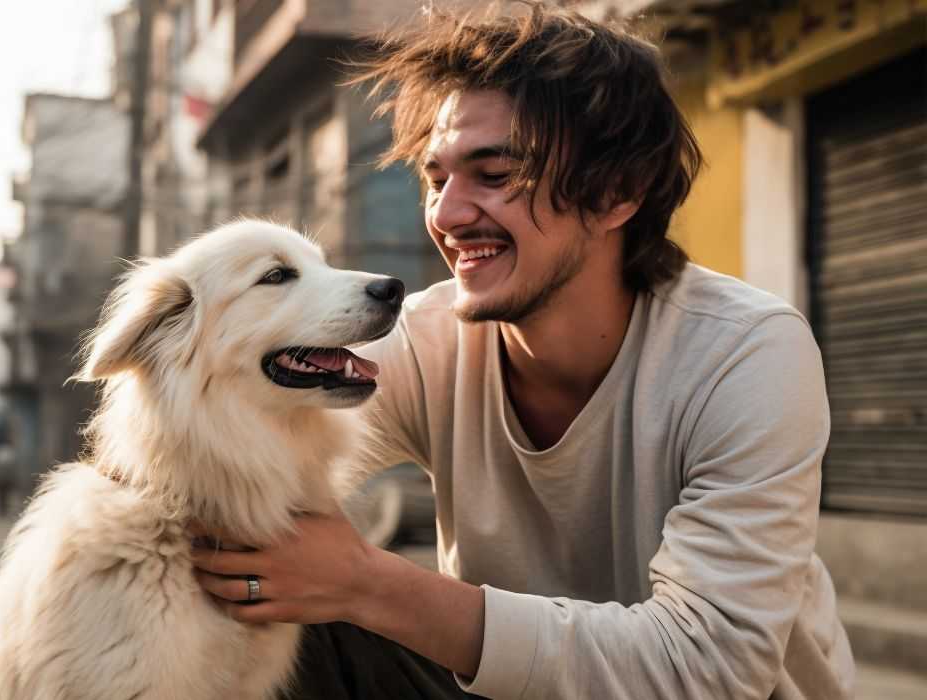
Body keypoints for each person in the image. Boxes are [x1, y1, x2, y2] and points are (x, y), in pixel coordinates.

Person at [189, 3, 854, 699]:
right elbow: (209, 455)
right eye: (435, 177)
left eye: (495, 173)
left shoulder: (746, 356)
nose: (446, 215)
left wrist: (366, 580)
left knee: (340, 598)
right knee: (282, 601)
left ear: (618, 191)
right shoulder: (425, 341)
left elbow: (707, 667)